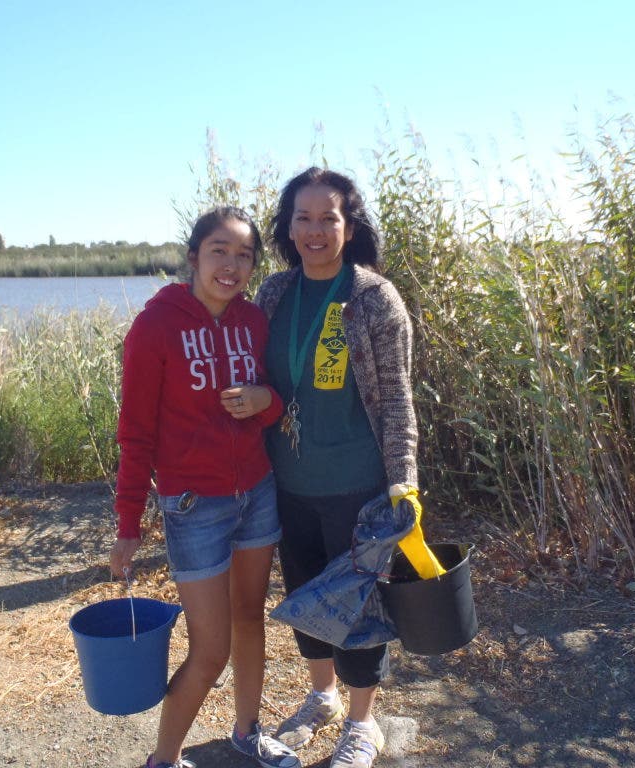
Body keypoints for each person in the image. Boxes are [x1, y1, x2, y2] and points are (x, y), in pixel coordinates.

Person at [109, 207, 300, 768]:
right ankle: (164, 759)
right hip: (194, 505)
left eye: (245, 255)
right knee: (211, 649)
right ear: (193, 256)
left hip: (257, 494)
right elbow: (135, 434)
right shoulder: (156, 326)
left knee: (250, 620)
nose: (232, 265)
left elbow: (274, 399)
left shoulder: (253, 322)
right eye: (220, 250)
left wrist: (267, 403)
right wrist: (127, 527)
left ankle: (247, 731)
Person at [255, 168, 421, 768]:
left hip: (357, 483)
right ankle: (321, 696)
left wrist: (404, 479)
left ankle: (363, 724)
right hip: (288, 483)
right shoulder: (273, 294)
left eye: (328, 218)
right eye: (303, 217)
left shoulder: (375, 298)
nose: (315, 230)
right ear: (288, 226)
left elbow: (398, 398)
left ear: (350, 227)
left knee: (359, 607)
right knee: (304, 596)